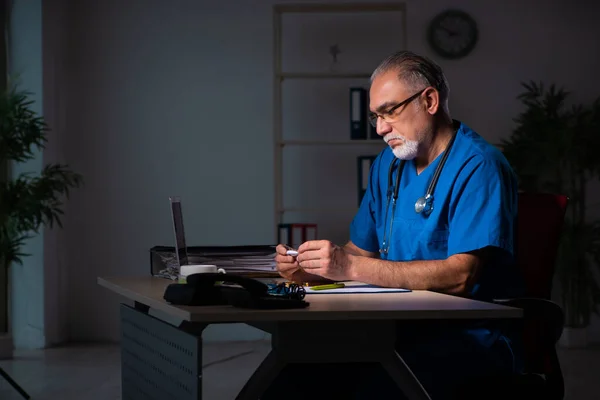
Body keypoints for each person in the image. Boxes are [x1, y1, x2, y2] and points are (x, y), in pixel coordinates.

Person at [265, 51, 524, 400]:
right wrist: (315, 269)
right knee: (288, 375)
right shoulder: (389, 164)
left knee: (357, 389)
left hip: (461, 341)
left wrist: (350, 265)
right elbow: (360, 251)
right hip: (388, 331)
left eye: (390, 111)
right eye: (375, 116)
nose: (380, 128)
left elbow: (461, 276)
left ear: (429, 100)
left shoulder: (479, 167)